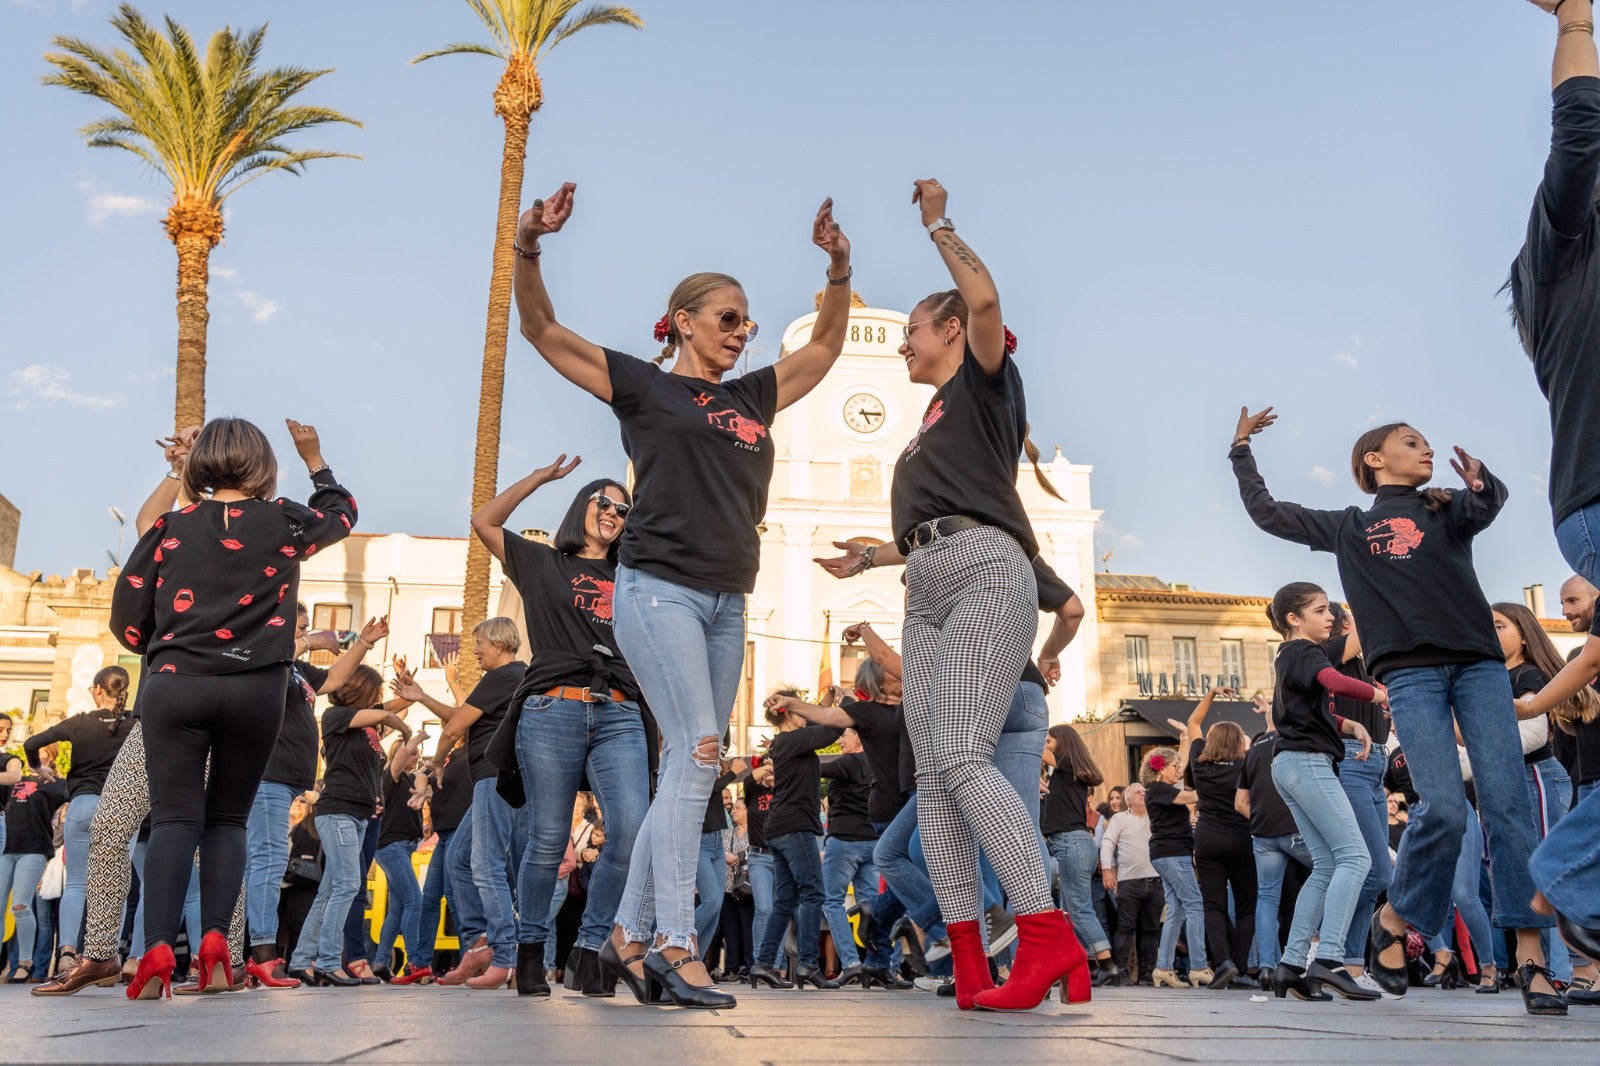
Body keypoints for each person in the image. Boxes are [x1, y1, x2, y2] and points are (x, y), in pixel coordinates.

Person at [513, 180, 852, 1011]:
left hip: (727, 598)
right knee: (701, 749)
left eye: (749, 321)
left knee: (687, 770)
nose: (744, 332)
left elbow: (825, 352)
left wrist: (840, 270)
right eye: (728, 317)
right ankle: (673, 940)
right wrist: (529, 246)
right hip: (657, 587)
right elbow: (542, 331)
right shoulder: (645, 386)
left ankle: (624, 936)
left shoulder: (752, 397)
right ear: (684, 321)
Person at [815, 180, 1083, 1013]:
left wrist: (937, 223)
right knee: (934, 777)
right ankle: (968, 958)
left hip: (984, 572)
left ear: (952, 331)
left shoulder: (986, 381)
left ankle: (1046, 934)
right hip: (925, 579)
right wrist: (875, 556)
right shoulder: (935, 416)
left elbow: (987, 295)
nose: (903, 346)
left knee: (962, 754)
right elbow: (941, 511)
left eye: (911, 334)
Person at [1231, 408, 1561, 1015]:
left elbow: (1484, 506)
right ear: (1375, 460)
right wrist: (1241, 451)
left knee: (1508, 801)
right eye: (1412, 442)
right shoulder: (1351, 526)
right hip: (1408, 674)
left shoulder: (1443, 509)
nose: (1427, 449)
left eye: (1428, 443)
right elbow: (1269, 513)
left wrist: (1483, 483)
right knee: (1441, 809)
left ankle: (1532, 960)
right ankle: (1394, 915)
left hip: (1477, 666)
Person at [107, 417, 356, 1000]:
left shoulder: (170, 528)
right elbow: (342, 513)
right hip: (256, 686)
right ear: (263, 466)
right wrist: (315, 458)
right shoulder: (287, 521)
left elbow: (127, 616)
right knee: (227, 819)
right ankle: (219, 944)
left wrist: (166, 645)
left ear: (196, 468)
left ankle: (158, 951)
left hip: (176, 683)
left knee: (173, 817)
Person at [465, 456, 648, 999]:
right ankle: (528, 951)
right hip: (554, 708)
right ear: (582, 508)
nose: (613, 513)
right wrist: (538, 479)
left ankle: (590, 951)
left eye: (622, 508)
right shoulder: (543, 563)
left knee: (631, 829)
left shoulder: (633, 576)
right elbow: (485, 522)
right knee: (547, 841)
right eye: (603, 502)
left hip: (620, 710)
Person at [247, 604, 390, 988]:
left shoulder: (297, 671)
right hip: (269, 773)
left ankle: (297, 958)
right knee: (269, 858)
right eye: (300, 626)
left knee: (294, 867)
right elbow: (274, 655)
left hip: (291, 780)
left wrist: (362, 643)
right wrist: (309, 642)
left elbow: (333, 678)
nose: (306, 633)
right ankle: (264, 954)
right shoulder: (265, 656)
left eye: (307, 628)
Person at [1259, 582, 1382, 1003]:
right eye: (1320, 609)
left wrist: (1350, 725)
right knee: (1356, 856)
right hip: (1306, 764)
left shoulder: (1288, 656)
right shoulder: (1306, 651)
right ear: (1294, 619)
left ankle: (1291, 967)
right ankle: (1329, 960)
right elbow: (1334, 680)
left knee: (1328, 865)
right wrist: (1379, 694)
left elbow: (1305, 711)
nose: (1330, 616)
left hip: (1290, 763)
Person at [413, 618, 526, 990]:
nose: (475, 650)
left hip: (494, 777)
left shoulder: (503, 676)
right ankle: (479, 942)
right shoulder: (512, 677)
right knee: (459, 856)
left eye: (479, 643)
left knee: (485, 863)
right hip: (493, 779)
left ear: (498, 642)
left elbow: (453, 727)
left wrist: (438, 761)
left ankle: (504, 954)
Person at [1492, 601, 1597, 994]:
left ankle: (1582, 969)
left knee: (1553, 871)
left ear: (1524, 633)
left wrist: (1470, 759)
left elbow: (1531, 736)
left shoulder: (1527, 674)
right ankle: (1550, 968)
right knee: (1522, 870)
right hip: (1509, 780)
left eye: (1499, 625)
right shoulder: (1493, 677)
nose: (1491, 633)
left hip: (1535, 775)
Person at [288, 666, 410, 987]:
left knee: (331, 888)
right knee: (346, 885)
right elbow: (384, 715)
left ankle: (301, 960)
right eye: (375, 693)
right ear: (361, 690)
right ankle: (329, 961)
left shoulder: (365, 727)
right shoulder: (335, 716)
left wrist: (410, 696)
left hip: (358, 815)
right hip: (338, 811)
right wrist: (393, 720)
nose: (379, 700)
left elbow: (387, 711)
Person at [21, 666, 135, 979]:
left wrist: (39, 769)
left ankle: (68, 954)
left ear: (99, 689)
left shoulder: (81, 722)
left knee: (77, 883)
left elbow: (32, 742)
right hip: (121, 807)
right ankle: (106, 957)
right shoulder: (137, 724)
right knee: (116, 887)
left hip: (83, 803)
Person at [751, 693, 842, 989]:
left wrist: (828, 700)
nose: (804, 713)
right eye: (798, 708)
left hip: (779, 828)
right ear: (788, 714)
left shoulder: (787, 743)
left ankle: (763, 964)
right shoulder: (795, 740)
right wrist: (849, 706)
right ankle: (807, 965)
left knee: (785, 900)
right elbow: (831, 728)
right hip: (795, 826)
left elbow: (821, 720)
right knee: (814, 894)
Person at [1323, 604, 1392, 984]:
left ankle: (1350, 964)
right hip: (1352, 761)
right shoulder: (1331, 654)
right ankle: (1326, 947)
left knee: (1374, 871)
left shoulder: (1368, 667)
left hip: (1375, 765)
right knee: (1375, 869)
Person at [1234, 695, 1313, 978]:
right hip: (1296, 830)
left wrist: (1258, 819)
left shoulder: (1253, 750)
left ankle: (1267, 967)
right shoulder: (1294, 743)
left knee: (1267, 898)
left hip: (1263, 834)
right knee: (1333, 873)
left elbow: (1240, 803)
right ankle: (1314, 955)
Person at [1182, 687, 1255, 988]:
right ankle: (1238, 967)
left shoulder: (1199, 760)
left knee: (1213, 904)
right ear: (1239, 742)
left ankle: (1221, 962)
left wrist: (1211, 694)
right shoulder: (1245, 764)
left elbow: (1193, 723)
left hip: (1208, 838)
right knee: (1247, 906)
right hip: (1241, 838)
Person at [1041, 724, 1119, 986]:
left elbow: (1036, 749)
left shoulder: (1065, 764)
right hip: (1075, 844)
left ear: (1062, 743)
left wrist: (1033, 731)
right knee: (1072, 910)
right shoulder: (1069, 771)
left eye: (1050, 740)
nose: (1046, 744)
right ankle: (1086, 965)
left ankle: (1107, 964)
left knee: (1079, 910)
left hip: (1069, 843)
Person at [1140, 745, 1212, 990]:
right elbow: (1191, 797)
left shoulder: (1159, 790)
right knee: (1194, 904)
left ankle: (1163, 967)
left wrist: (1184, 740)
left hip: (1167, 854)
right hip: (1172, 854)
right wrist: (1212, 781)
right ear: (1161, 769)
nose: (1179, 771)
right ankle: (1200, 967)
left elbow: (1182, 789)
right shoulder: (1160, 789)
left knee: (1177, 910)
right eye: (1175, 767)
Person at [816, 729, 881, 987]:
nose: (839, 741)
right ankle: (879, 964)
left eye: (844, 736)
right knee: (872, 905)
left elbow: (819, 768)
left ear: (859, 738)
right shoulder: (877, 763)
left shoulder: (850, 761)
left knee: (832, 902)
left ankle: (852, 963)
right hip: (872, 841)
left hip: (844, 840)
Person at [2, 762, 68, 983]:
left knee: (20, 906)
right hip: (4, 848)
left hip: (34, 849)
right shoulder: (7, 780)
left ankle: (25, 962)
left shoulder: (51, 784)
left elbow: (75, 793)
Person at [373, 729, 429, 982]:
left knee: (397, 908)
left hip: (404, 847)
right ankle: (414, 961)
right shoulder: (390, 776)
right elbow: (402, 757)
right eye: (412, 753)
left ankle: (381, 962)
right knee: (414, 901)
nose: (416, 757)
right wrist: (415, 738)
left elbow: (425, 776)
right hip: (392, 846)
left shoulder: (409, 780)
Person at [1100, 784, 1160, 984]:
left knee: (1151, 929)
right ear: (1128, 799)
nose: (1143, 794)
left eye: (1145, 791)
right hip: (1128, 881)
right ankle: (1122, 973)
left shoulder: (1155, 816)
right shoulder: (1119, 819)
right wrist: (1107, 869)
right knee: (1125, 927)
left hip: (1155, 880)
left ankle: (1148, 973)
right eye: (1137, 792)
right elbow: (1108, 843)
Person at [720, 793, 755, 981]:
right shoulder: (727, 834)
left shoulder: (756, 834)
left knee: (748, 927)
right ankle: (731, 967)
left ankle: (749, 967)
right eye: (734, 808)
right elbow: (719, 850)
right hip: (728, 888)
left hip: (747, 888)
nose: (733, 810)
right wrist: (727, 854)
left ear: (748, 811)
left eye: (738, 808)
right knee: (730, 929)